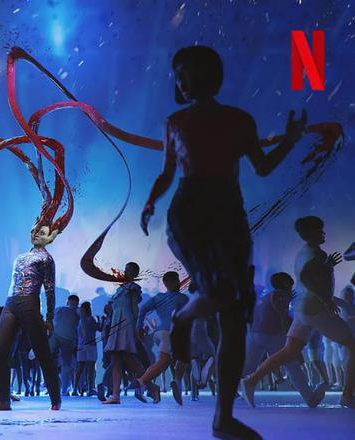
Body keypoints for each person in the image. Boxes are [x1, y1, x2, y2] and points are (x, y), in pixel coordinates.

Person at [140, 46, 307, 439]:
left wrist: (291, 140)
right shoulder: (176, 122)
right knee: (220, 294)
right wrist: (150, 201)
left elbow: (261, 167)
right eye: (178, 74)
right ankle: (183, 317)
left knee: (234, 317)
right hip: (191, 215)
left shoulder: (238, 120)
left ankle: (223, 417)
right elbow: (168, 172)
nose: (181, 81)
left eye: (186, 72)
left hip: (230, 217)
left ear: (208, 75)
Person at [241, 217, 355, 408]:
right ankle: (347, 395)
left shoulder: (306, 254)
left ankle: (251, 380)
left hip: (303, 311)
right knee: (353, 345)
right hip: (316, 310)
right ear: (309, 233)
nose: (323, 233)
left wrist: (326, 267)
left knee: (289, 351)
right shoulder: (315, 254)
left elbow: (310, 275)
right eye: (319, 230)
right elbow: (307, 277)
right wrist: (325, 299)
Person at [0, 225, 62, 411]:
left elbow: (49, 289)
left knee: (42, 352)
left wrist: (49, 317)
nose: (36, 234)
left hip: (29, 303)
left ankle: (55, 399)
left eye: (42, 233)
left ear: (50, 238)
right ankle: (4, 400)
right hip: (11, 302)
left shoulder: (46, 259)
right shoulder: (19, 257)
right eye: (34, 231)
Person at [242, 272, 325, 406]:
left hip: (255, 334)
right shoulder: (279, 295)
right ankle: (310, 397)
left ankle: (228, 387)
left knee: (249, 366)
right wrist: (290, 335)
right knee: (292, 365)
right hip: (271, 335)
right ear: (286, 284)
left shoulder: (266, 296)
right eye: (290, 284)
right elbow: (282, 315)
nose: (292, 287)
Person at [135, 271, 189, 405]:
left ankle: (176, 384)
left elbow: (143, 309)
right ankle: (141, 382)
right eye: (177, 280)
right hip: (170, 332)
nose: (179, 283)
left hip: (159, 333)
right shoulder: (183, 298)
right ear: (172, 282)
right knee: (164, 362)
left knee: (180, 358)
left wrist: (139, 327)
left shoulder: (158, 297)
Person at [102, 262, 151, 404]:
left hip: (126, 322)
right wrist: (109, 309)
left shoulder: (133, 288)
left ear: (135, 273)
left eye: (130, 270)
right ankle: (115, 396)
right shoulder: (120, 289)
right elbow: (114, 308)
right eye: (126, 269)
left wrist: (135, 326)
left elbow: (135, 308)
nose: (126, 272)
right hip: (116, 322)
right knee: (116, 358)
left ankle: (152, 387)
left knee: (128, 357)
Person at [50, 294, 80, 396]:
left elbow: (52, 321)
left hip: (57, 337)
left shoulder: (59, 309)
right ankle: (63, 389)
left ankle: (60, 387)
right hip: (67, 339)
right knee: (66, 364)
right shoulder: (77, 311)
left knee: (55, 362)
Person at [74, 302, 100, 396]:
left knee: (80, 368)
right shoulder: (91, 319)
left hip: (80, 346)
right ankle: (90, 388)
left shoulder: (80, 321)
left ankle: (75, 389)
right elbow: (99, 328)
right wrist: (99, 320)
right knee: (91, 368)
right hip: (90, 345)